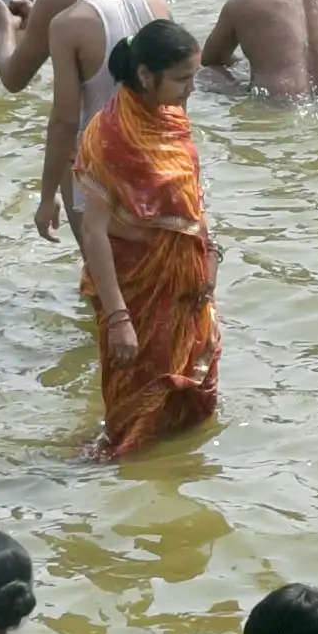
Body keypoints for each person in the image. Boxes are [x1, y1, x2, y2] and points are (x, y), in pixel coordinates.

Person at [67, 24, 218, 459]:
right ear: (148, 76)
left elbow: (193, 200)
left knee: (189, 408)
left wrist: (210, 255)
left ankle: (174, 479)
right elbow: (93, 231)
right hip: (137, 291)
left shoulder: (171, 119)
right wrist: (118, 318)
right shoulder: (108, 136)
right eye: (183, 78)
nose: (192, 88)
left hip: (187, 294)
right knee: (133, 420)